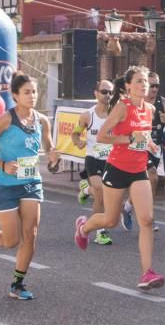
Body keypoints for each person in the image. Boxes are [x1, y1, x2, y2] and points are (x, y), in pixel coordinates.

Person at [73, 66, 165, 290]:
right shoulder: (122, 108)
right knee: (110, 220)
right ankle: (84, 227)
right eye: (139, 81)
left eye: (146, 81)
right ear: (127, 86)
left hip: (139, 170)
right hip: (116, 168)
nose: (144, 85)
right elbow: (103, 136)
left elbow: (143, 138)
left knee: (146, 219)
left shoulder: (150, 109)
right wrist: (128, 139)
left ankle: (147, 273)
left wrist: (150, 144)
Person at [0, 74, 59, 300]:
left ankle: (17, 284)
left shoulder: (42, 121)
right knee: (12, 241)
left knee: (31, 235)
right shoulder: (6, 119)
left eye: (34, 92)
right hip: (6, 184)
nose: (32, 96)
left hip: (31, 183)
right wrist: (2, 164)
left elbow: (49, 151)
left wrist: (53, 157)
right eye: (27, 92)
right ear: (16, 95)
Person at [121, 72, 165, 232]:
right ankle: (149, 219)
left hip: (155, 148)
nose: (155, 89)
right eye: (152, 85)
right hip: (140, 147)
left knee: (146, 183)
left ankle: (128, 206)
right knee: (153, 177)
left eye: (157, 85)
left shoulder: (162, 102)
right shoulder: (137, 103)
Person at [72, 80, 114, 245]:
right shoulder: (87, 115)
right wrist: (78, 142)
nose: (107, 95)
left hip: (111, 161)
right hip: (93, 159)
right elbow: (75, 134)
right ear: (96, 93)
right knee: (101, 192)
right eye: (104, 92)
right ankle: (100, 232)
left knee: (106, 195)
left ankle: (85, 189)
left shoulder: (115, 114)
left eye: (110, 92)